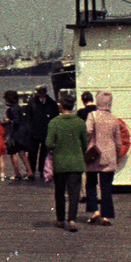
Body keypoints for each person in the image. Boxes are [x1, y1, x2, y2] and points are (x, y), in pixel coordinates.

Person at [45, 93, 88, 230]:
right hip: (76, 162)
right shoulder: (80, 123)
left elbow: (49, 143)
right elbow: (85, 144)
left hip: (60, 162)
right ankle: (72, 220)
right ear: (73, 105)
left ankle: (60, 219)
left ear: (61, 106)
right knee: (74, 193)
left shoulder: (54, 122)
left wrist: (58, 146)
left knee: (60, 192)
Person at [83, 90, 119, 225]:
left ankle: (94, 211)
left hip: (94, 155)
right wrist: (117, 156)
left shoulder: (92, 115)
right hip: (109, 156)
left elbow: (87, 131)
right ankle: (106, 216)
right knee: (106, 187)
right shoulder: (114, 118)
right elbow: (118, 142)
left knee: (91, 184)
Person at [2, 91, 32, 181]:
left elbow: (16, 121)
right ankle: (29, 171)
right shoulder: (18, 107)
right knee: (22, 153)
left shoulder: (12, 109)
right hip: (22, 132)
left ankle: (17, 172)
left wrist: (8, 120)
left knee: (13, 153)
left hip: (15, 133)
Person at [28, 86, 53, 182]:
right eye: (40, 93)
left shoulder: (51, 103)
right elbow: (28, 117)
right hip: (34, 131)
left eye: (43, 93)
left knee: (44, 152)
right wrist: (30, 128)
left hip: (46, 131)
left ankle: (43, 170)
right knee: (32, 152)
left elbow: (54, 116)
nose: (42, 95)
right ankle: (31, 170)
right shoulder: (32, 102)